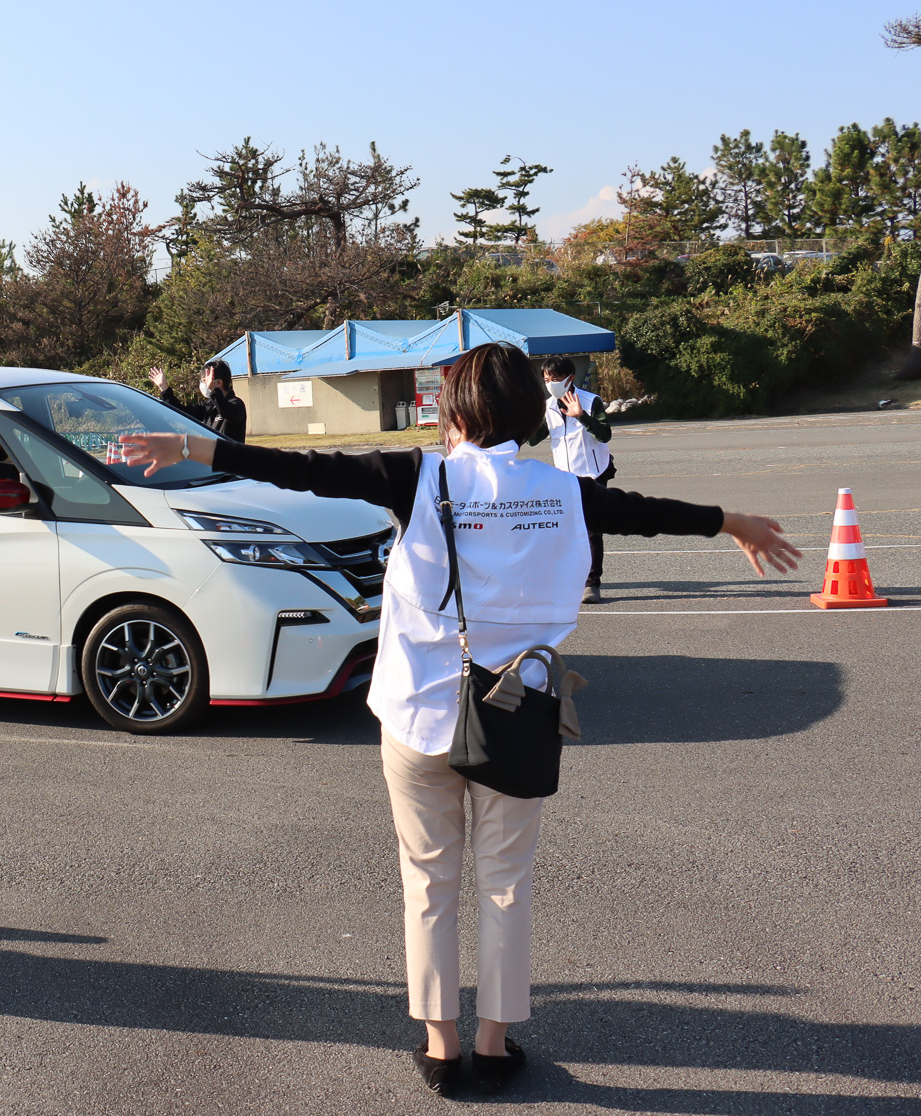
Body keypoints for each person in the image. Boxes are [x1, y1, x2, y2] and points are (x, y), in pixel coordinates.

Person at [119, 343, 798, 1098]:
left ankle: (440, 1046)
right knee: (506, 883)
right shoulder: (563, 491)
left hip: (418, 714)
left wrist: (192, 448)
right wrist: (733, 521)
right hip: (517, 716)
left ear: (458, 412)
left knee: (429, 881)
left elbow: (305, 469)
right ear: (530, 410)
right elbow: (644, 514)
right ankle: (494, 1045)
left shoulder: (420, 477)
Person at [528, 357, 614, 604]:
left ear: (569, 379)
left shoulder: (590, 401)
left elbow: (605, 435)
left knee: (591, 531)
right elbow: (533, 439)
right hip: (564, 477)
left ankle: (591, 583)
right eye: (546, 380)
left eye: (555, 379)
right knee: (565, 530)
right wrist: (525, 416)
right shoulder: (548, 406)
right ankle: (568, 578)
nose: (550, 384)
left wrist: (581, 416)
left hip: (593, 474)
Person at [150, 361, 247, 442]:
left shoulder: (236, 404)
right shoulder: (208, 406)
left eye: (204, 380)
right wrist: (164, 389)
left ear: (218, 382)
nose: (202, 385)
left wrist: (213, 391)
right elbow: (181, 412)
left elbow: (227, 412)